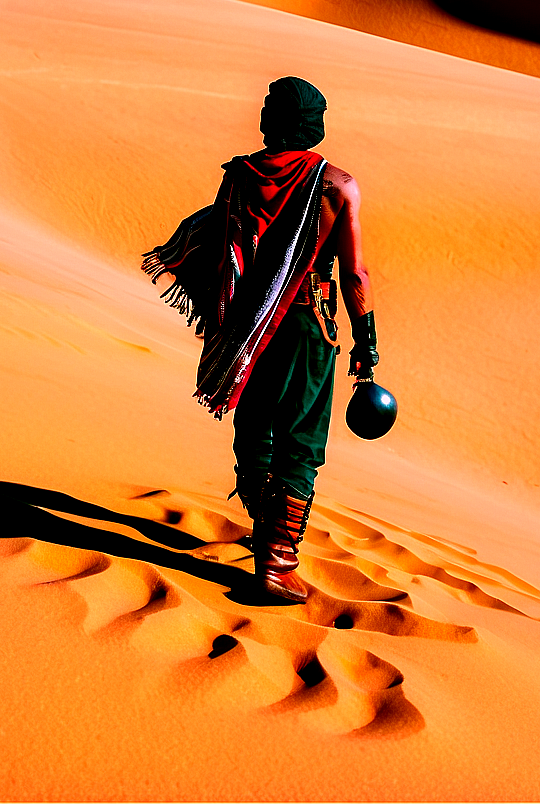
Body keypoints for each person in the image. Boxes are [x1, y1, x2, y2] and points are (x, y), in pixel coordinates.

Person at [142, 77, 378, 603]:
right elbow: (355, 275)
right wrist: (366, 344)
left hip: (248, 327)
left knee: (255, 428)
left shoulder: (239, 178)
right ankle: (278, 558)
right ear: (315, 124)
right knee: (300, 438)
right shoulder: (337, 186)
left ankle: (266, 525)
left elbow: (228, 246)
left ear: (270, 121)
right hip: (307, 326)